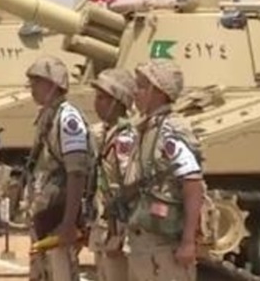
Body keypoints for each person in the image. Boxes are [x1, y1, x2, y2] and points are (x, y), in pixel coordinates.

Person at [125, 60, 204, 281]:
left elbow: (192, 183)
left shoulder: (170, 132)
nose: (135, 92)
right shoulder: (147, 128)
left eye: (142, 86)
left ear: (158, 92)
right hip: (144, 241)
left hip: (164, 246)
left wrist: (188, 242)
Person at [23, 56, 92, 281]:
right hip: (46, 214)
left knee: (61, 272)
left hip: (58, 215)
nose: (32, 87)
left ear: (54, 84)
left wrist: (68, 223)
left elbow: (77, 172)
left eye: (37, 81)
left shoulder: (67, 120)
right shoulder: (48, 115)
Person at [89, 69, 138, 281]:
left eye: (102, 98)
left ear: (118, 101)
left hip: (117, 228)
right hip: (102, 225)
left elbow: (130, 187)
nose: (96, 103)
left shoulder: (125, 138)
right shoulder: (104, 133)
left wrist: (120, 234)